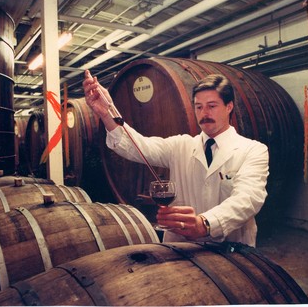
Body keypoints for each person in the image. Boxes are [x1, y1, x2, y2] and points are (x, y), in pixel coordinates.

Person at [83, 70, 269, 247]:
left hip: (232, 251)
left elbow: (248, 199)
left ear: (229, 107)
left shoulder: (253, 150)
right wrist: (107, 112)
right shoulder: (181, 145)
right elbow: (136, 146)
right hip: (181, 250)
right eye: (199, 107)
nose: (204, 113)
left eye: (212, 106)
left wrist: (205, 223)